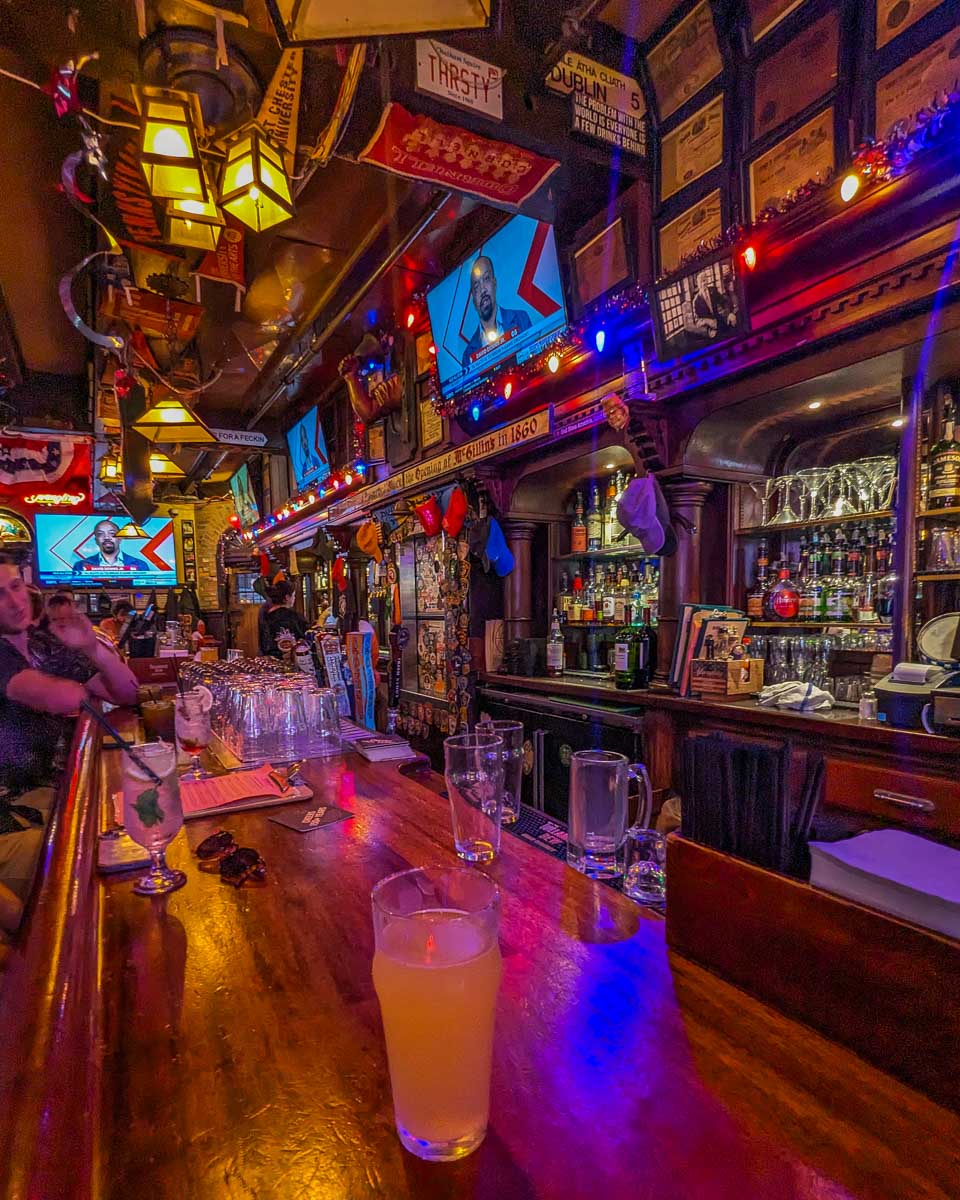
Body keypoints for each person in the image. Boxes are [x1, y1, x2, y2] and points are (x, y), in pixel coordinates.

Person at [0, 556, 138, 906]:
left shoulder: (40, 642)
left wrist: (93, 648)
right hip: (12, 808)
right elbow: (62, 696)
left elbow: (126, 692)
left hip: (58, 790)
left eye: (15, 587)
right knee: (83, 858)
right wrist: (83, 683)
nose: (14, 601)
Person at [460, 255, 532, 367]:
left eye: (486, 278)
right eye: (476, 286)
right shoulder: (468, 355)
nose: (483, 289)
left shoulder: (521, 318)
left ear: (495, 284)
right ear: (473, 300)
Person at [72, 519, 150, 574]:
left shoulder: (140, 565)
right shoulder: (80, 566)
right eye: (100, 534)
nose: (107, 537)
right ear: (96, 540)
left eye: (112, 533)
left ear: (120, 539)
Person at [259, 579, 308, 659]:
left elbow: (263, 643)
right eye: (293, 595)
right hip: (295, 661)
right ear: (287, 597)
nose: (294, 598)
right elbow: (306, 638)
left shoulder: (265, 616)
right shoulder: (295, 617)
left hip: (271, 662)